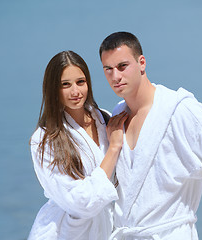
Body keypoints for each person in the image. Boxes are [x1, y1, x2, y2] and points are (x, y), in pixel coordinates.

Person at [99, 32, 202, 240]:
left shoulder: (181, 112)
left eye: (122, 66)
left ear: (141, 63)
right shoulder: (117, 117)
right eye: (108, 69)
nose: (115, 77)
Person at [28, 50, 128, 240]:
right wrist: (113, 149)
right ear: (53, 90)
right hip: (65, 233)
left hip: (107, 230)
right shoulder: (44, 140)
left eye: (80, 82)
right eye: (65, 85)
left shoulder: (105, 119)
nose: (75, 92)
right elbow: (81, 202)